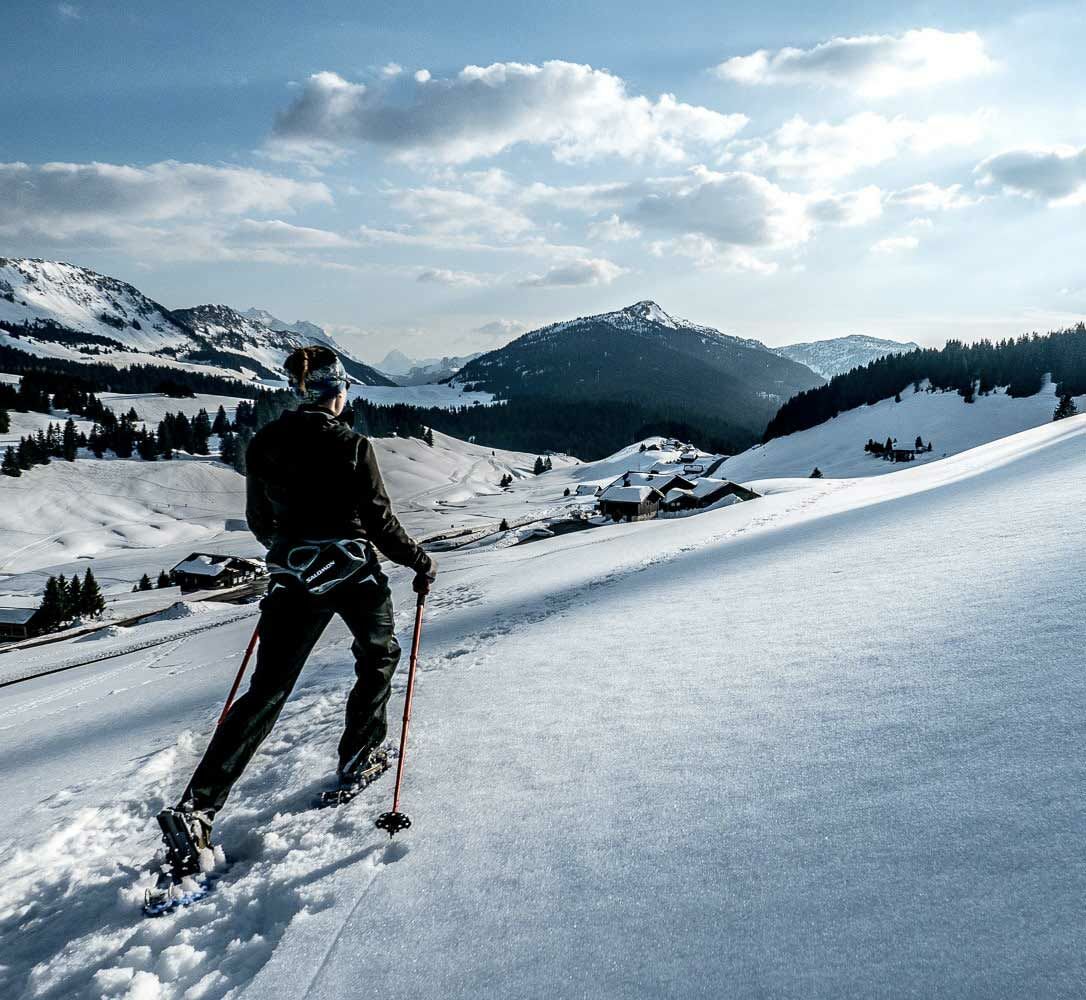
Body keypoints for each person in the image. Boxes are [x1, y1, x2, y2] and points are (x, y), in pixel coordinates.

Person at [157, 345, 436, 868]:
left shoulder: (265, 442)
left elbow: (260, 519)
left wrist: (293, 555)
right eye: (344, 388)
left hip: (292, 578)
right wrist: (420, 561)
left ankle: (198, 808)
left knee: (267, 691)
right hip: (354, 573)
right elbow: (378, 520)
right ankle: (359, 754)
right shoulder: (352, 445)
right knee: (378, 654)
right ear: (335, 390)